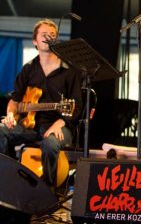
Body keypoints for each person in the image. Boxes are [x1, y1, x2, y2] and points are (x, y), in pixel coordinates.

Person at [0, 19, 82, 189]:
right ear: (35, 41)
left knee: (50, 144)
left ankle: (48, 191)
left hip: (60, 124)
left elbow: (77, 105)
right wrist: (10, 115)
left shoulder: (69, 71)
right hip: (29, 125)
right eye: (44, 35)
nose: (48, 37)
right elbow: (14, 101)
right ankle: (7, 181)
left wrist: (59, 124)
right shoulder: (28, 69)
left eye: (52, 35)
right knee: (1, 132)